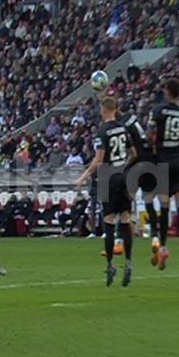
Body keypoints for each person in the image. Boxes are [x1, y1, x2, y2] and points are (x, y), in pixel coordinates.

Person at [75, 97, 135, 287]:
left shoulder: (102, 132)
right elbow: (134, 154)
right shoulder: (124, 129)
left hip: (108, 179)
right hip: (124, 178)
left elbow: (99, 160)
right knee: (125, 219)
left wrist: (84, 176)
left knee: (109, 222)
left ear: (104, 111)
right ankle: (128, 264)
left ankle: (110, 265)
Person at [147, 79, 179, 269]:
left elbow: (150, 134)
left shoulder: (158, 110)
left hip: (163, 160)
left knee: (164, 206)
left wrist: (152, 148)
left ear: (167, 91)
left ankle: (164, 247)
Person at [120, 111, 158, 249]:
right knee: (149, 202)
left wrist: (125, 166)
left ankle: (120, 238)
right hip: (150, 161)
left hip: (138, 164)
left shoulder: (122, 125)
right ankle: (155, 236)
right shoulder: (133, 118)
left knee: (126, 200)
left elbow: (133, 153)